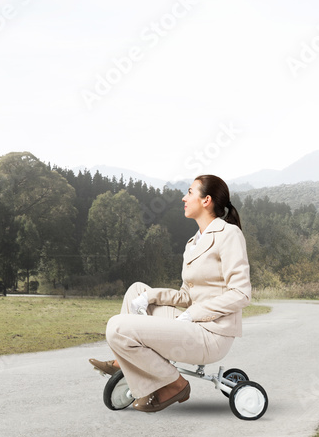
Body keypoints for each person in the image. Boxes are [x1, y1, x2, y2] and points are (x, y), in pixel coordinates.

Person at [88, 174, 252, 412]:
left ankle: (175, 384)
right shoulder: (192, 243)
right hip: (192, 325)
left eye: (189, 192)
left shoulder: (228, 234)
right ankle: (122, 363)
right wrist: (150, 297)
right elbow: (186, 295)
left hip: (211, 334)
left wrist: (194, 313)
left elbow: (241, 293)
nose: (184, 198)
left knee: (117, 327)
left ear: (206, 200)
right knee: (136, 289)